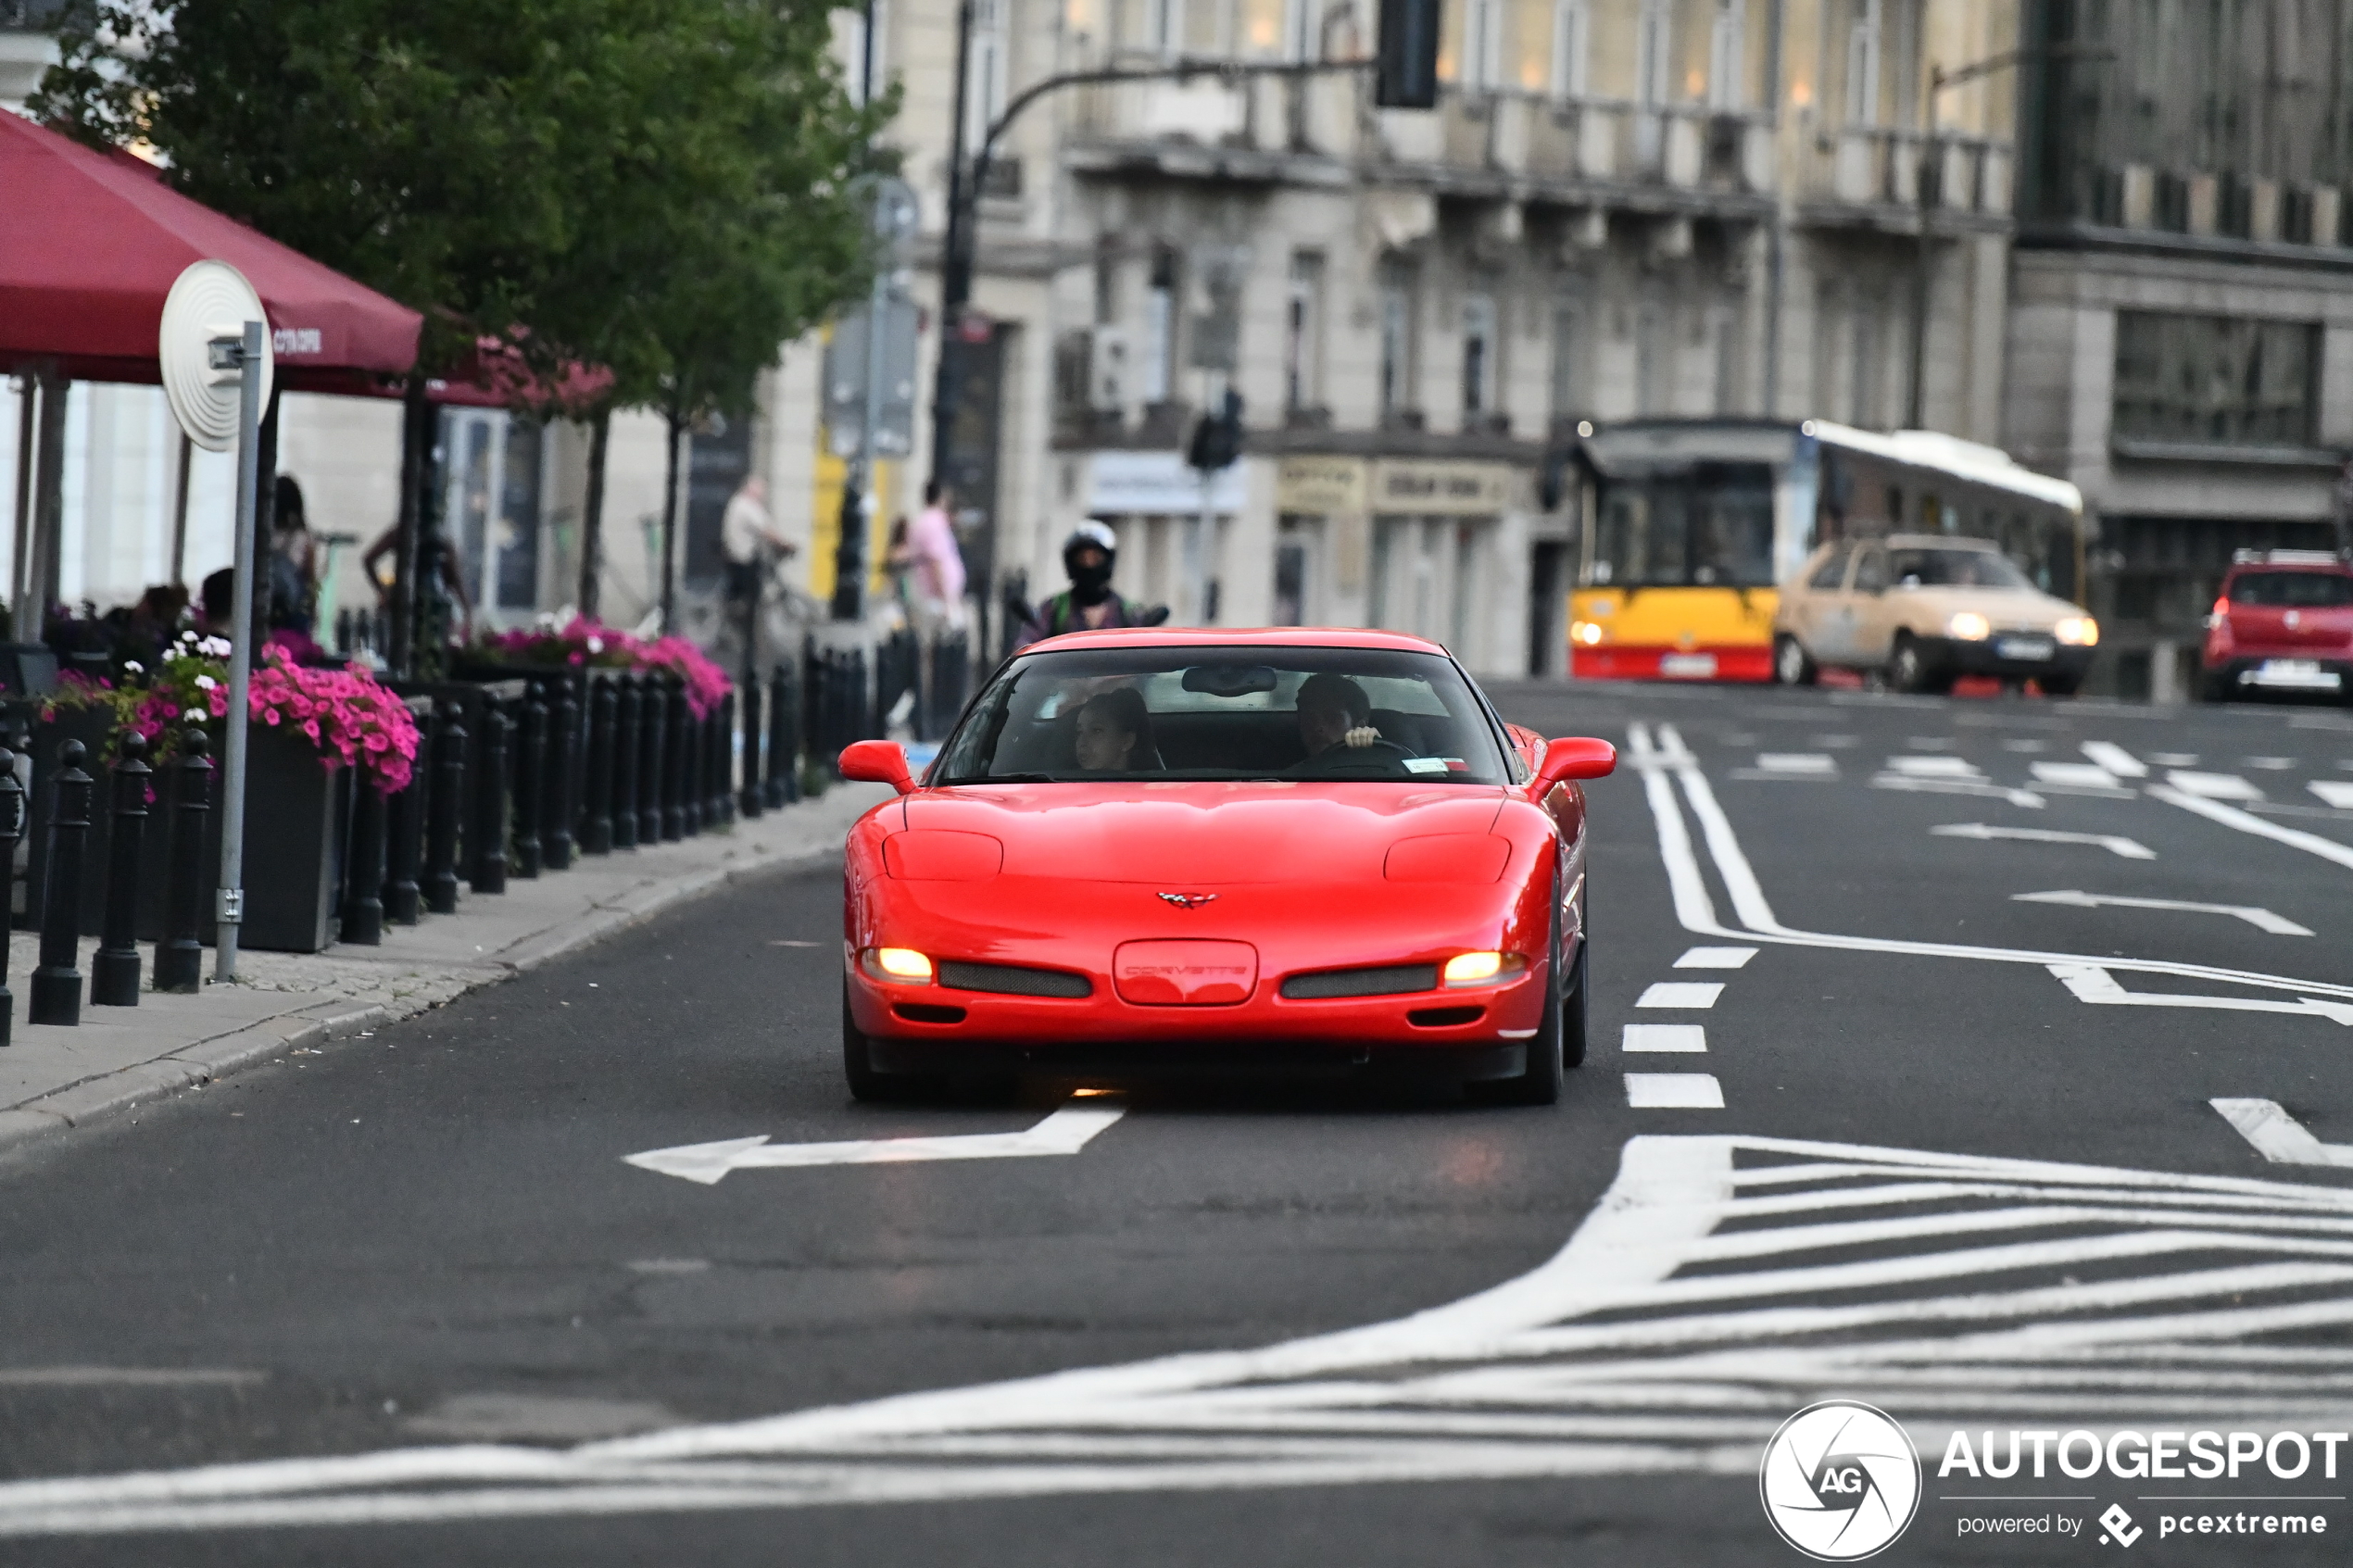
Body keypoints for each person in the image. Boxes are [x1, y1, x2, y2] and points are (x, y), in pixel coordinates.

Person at [1014, 521, 1164, 647]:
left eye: (1095, 559)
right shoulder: (1054, 609)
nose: (1088, 565)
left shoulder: (1128, 612)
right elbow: (1026, 646)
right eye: (1082, 559)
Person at [1291, 673, 1395, 767]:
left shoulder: (1380, 773)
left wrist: (1377, 755)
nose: (1318, 727)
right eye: (1309, 718)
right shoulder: (1283, 778)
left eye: (1332, 718)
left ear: (1360, 726)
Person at [903, 481, 967, 633]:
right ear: (941, 498)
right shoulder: (933, 523)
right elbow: (935, 562)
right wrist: (945, 601)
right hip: (937, 598)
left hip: (934, 595)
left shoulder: (925, 522)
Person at [1073, 687, 1156, 773]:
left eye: (1096, 731)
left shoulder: (1151, 784)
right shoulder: (1066, 782)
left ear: (1127, 741)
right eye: (1079, 732)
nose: (1082, 742)